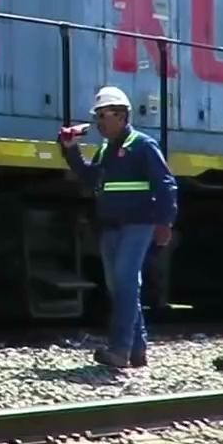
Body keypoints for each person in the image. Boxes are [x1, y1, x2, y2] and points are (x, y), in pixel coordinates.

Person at [56, 86, 177, 369]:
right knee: (120, 287)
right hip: (110, 227)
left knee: (124, 282)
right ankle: (137, 350)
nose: (99, 122)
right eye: (97, 116)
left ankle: (119, 350)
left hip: (138, 225)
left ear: (122, 116)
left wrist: (165, 222)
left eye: (104, 115)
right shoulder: (106, 151)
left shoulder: (143, 146)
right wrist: (70, 149)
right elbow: (89, 177)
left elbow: (166, 184)